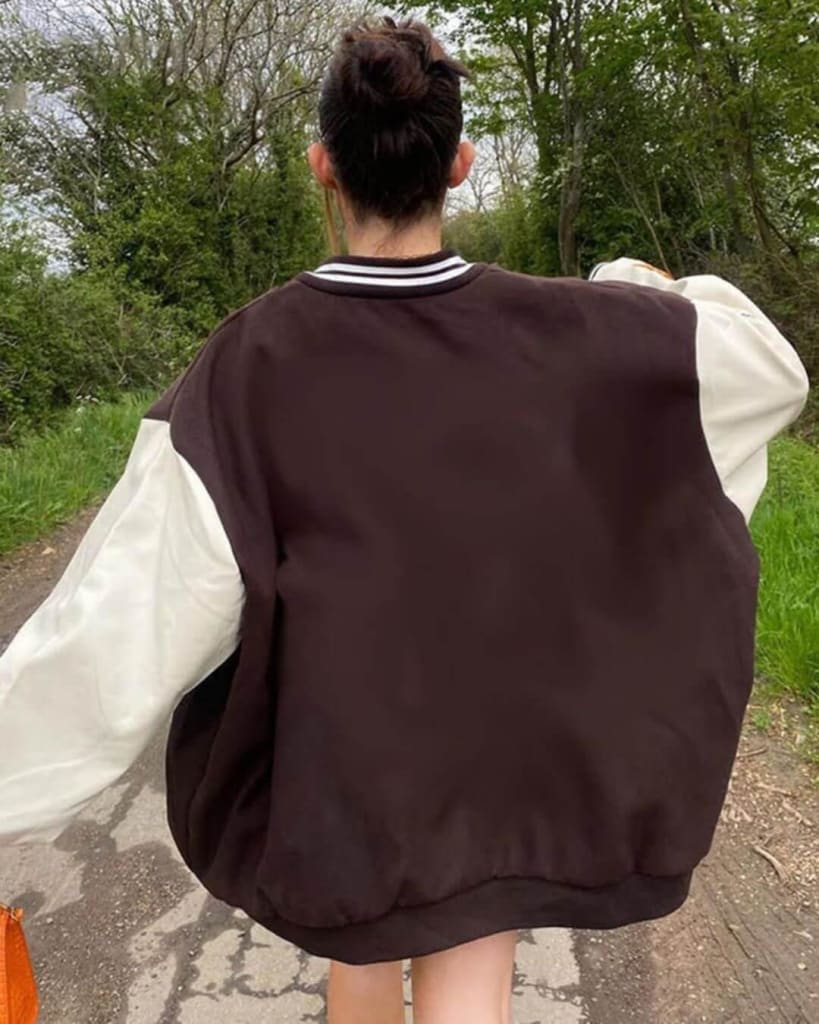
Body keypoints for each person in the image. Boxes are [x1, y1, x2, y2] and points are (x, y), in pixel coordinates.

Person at [0, 15, 809, 1024]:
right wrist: (629, 282)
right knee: (469, 975)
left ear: (323, 167)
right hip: (498, 755)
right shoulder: (577, 332)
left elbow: (124, 615)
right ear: (457, 165)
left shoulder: (249, 364)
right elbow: (764, 368)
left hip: (343, 767)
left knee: (360, 939)